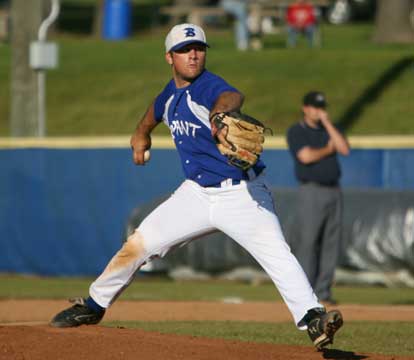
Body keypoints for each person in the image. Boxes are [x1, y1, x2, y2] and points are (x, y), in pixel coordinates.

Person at [50, 24, 343, 349]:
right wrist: (141, 133)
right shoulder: (171, 94)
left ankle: (314, 318)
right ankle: (92, 306)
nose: (193, 54)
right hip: (196, 194)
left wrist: (220, 114)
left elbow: (231, 96)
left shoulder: (208, 87)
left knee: (278, 255)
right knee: (138, 245)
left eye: (199, 48)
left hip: (241, 194)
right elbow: (156, 109)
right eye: (184, 49)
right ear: (169, 57)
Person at [286, 91, 350, 305]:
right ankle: (305, 293)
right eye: (314, 107)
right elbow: (305, 156)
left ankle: (323, 292)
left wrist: (329, 125)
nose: (318, 111)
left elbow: (344, 149)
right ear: (305, 108)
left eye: (321, 107)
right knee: (309, 242)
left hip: (334, 190)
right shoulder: (297, 131)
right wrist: (326, 149)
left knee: (330, 243)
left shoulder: (329, 130)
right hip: (311, 191)